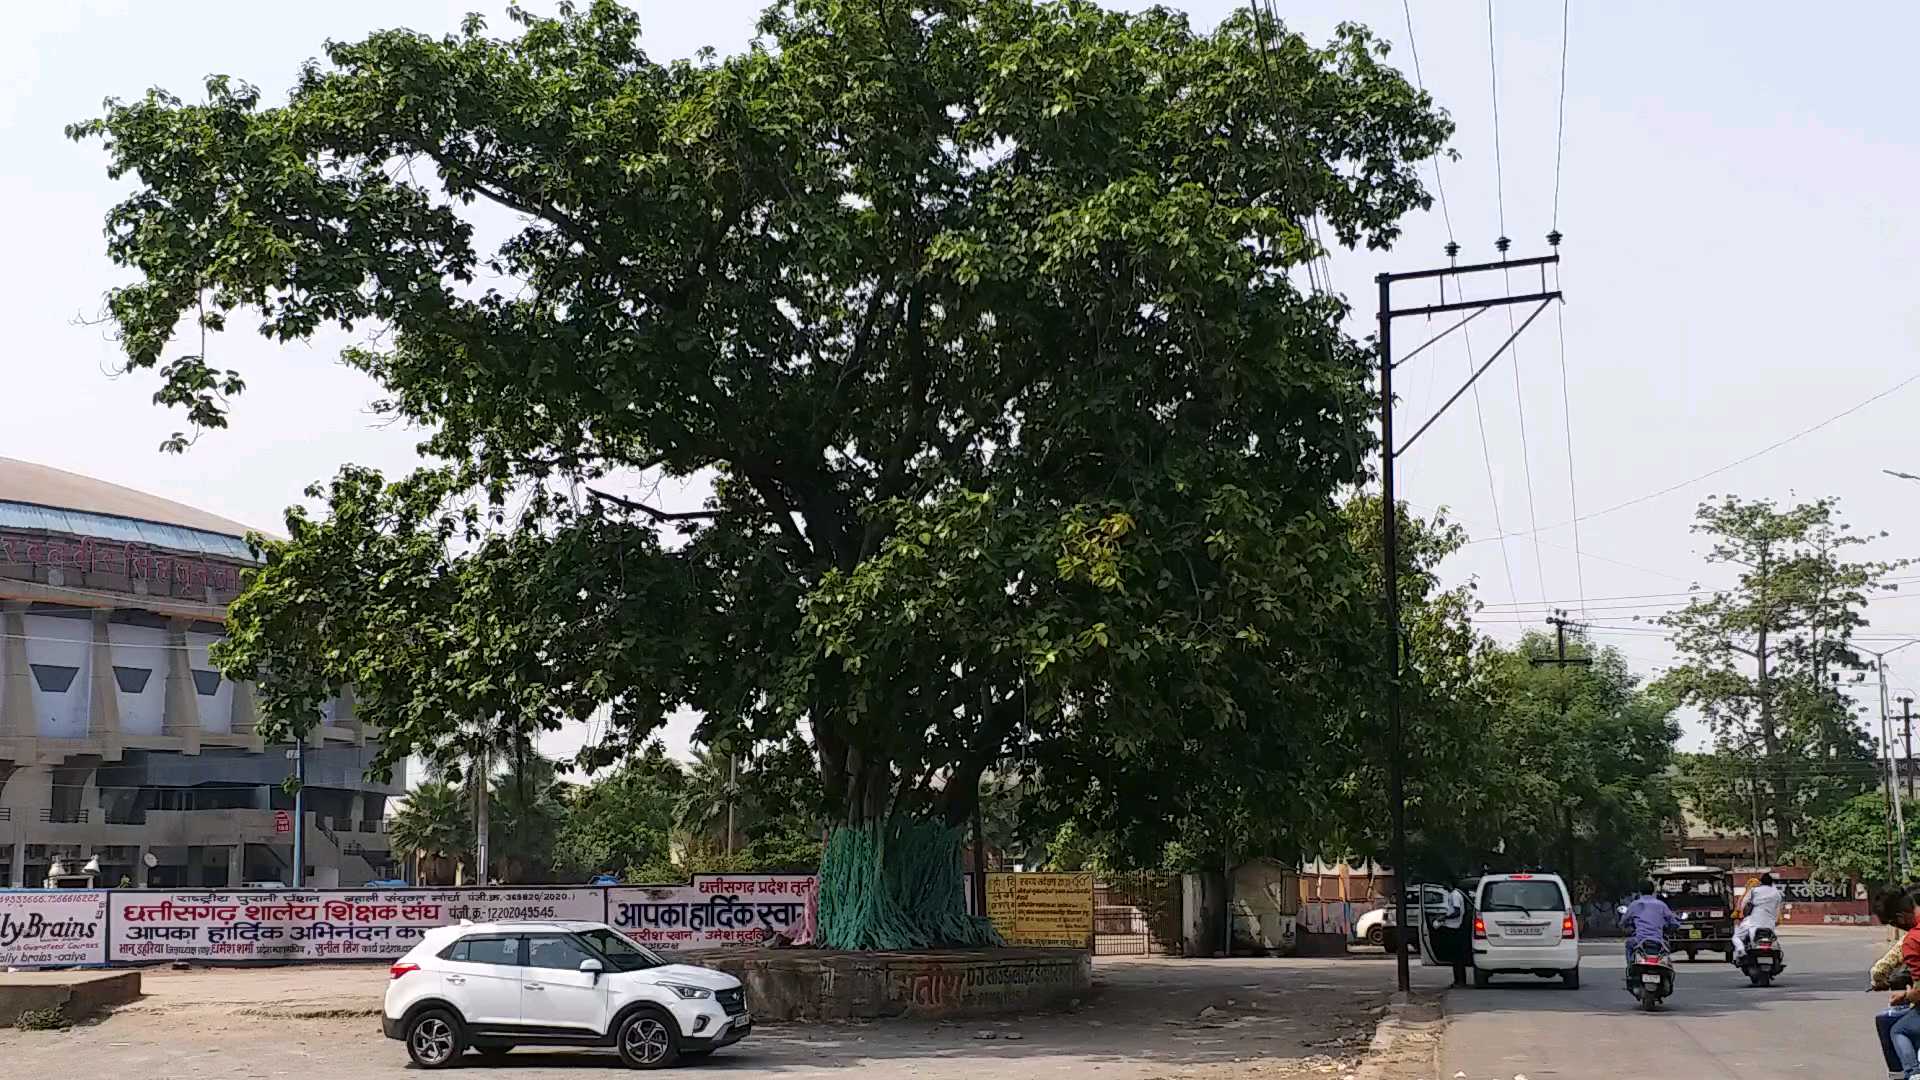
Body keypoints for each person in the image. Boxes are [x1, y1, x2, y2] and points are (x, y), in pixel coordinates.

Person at [1872, 887, 1920, 1080]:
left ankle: (1911, 1073)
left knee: (1897, 1029)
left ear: (1900, 917)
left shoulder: (1912, 940)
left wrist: (1904, 996)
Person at [1620, 880, 1680, 974]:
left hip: (1639, 941)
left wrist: (1626, 927)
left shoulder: (1635, 904)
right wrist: (1669, 930)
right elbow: (1674, 923)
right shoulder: (1661, 905)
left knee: (1629, 944)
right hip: (1658, 941)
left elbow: (1623, 922)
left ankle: (1630, 970)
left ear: (1640, 891)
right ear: (1653, 891)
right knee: (1667, 950)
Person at [1732, 872, 1784, 965]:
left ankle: (1741, 952)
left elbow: (1743, 903)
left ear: (1761, 882)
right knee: (1775, 941)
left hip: (1753, 921)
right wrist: (1775, 921)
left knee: (1736, 936)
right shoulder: (1777, 893)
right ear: (1771, 882)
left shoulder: (1754, 891)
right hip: (1769, 923)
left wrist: (1740, 914)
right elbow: (1778, 910)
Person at [1438, 882, 1470, 986]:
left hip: (1454, 928)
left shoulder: (1455, 895)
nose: (1443, 886)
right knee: (1457, 957)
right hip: (1454, 927)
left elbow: (1457, 912)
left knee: (1457, 957)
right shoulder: (1455, 894)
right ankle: (1459, 980)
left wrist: (1444, 918)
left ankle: (1459, 980)